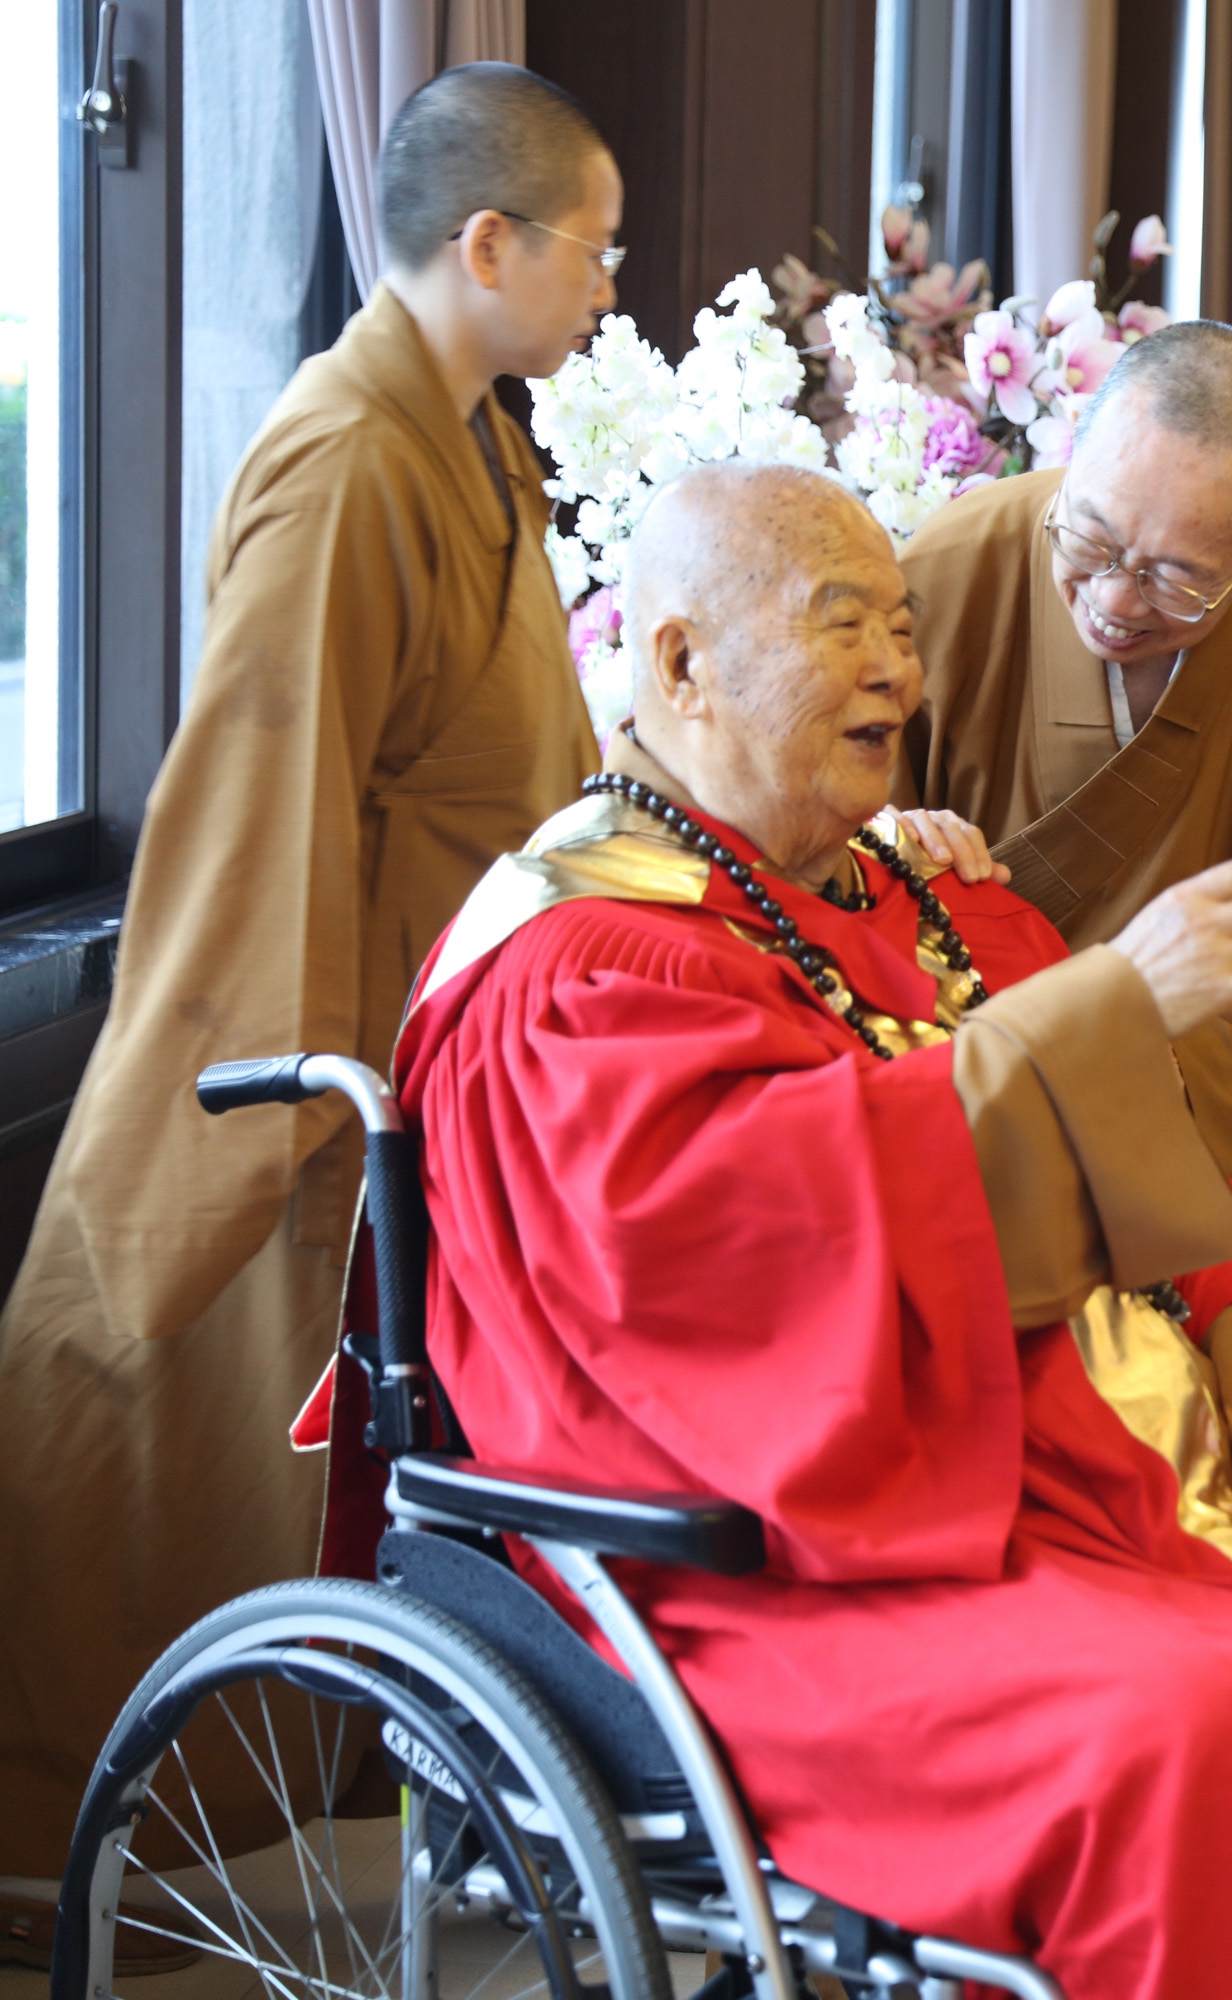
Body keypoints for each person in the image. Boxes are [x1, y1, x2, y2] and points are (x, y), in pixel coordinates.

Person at [399, 461, 1232, 2000]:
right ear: (680, 662)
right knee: (1210, 1745)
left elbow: (1152, 1172)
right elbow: (750, 1239)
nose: (899, 669)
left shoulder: (921, 893)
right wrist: (1115, 1004)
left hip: (1104, 1483)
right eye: (843, 627)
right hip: (812, 1559)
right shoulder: (576, 965)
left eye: (903, 625)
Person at [0, 63, 621, 1878]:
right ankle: (72, 1844)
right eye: (593, 250)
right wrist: (274, 1099)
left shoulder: (475, 422)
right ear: (485, 242)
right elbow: (261, 795)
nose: (609, 288)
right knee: (189, 1451)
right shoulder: (351, 454)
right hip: (320, 1056)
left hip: (444, 1035)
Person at [897, 322, 1232, 1320]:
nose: (1111, 599)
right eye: (1088, 539)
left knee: (1208, 1436)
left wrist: (1153, 1060)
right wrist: (895, 845)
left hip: (1207, 1147)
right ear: (1070, 463)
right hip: (964, 1116)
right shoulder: (948, 571)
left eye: (1176, 578)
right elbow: (817, 867)